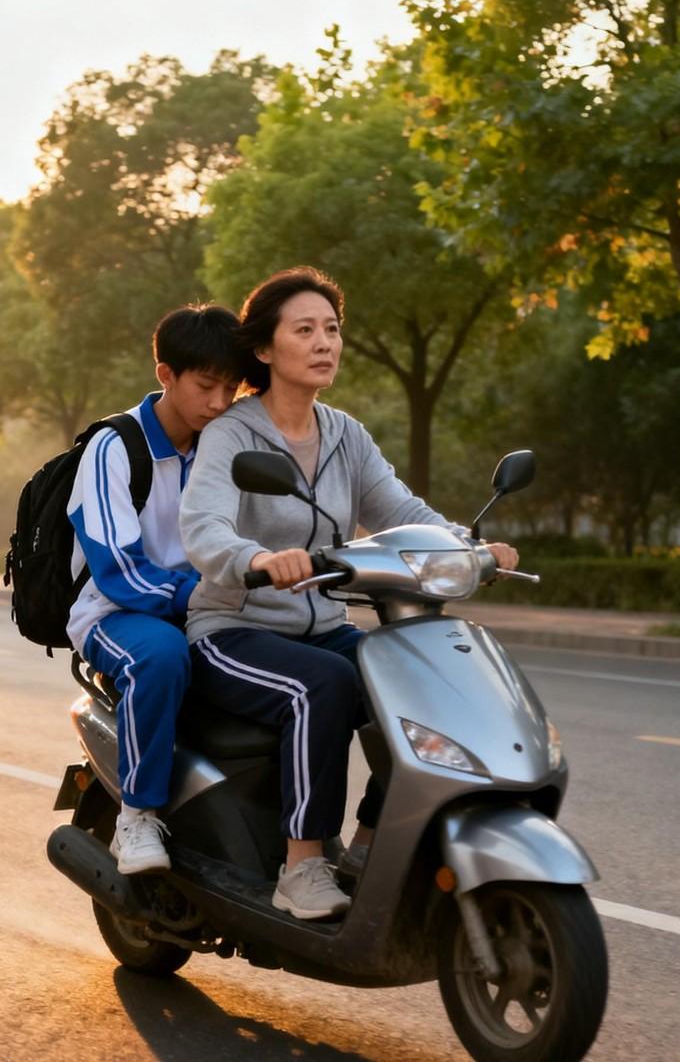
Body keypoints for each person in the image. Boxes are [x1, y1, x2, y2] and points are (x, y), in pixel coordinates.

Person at [179, 267, 519, 919]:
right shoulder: (233, 434)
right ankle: (302, 867)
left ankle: (365, 845)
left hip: (319, 623)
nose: (323, 342)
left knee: (418, 689)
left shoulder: (344, 434)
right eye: (303, 330)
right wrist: (255, 558)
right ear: (264, 349)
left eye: (331, 329)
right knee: (323, 685)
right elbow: (204, 524)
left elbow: (398, 507)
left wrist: (468, 546)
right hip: (233, 630)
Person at [67, 304, 242, 874]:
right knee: (160, 657)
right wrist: (195, 594)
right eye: (206, 385)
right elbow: (117, 566)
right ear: (166, 374)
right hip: (115, 613)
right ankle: (136, 817)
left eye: (231, 388)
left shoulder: (228, 446)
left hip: (205, 606)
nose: (219, 403)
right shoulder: (114, 447)